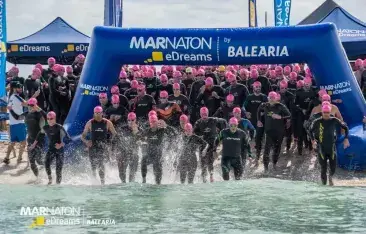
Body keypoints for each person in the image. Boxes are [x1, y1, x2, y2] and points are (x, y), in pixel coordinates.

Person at [309, 105, 350, 186]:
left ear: (330, 112)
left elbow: (345, 128)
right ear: (322, 112)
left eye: (328, 112)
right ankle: (324, 186)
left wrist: (346, 139)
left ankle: (330, 178)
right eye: (324, 112)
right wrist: (313, 140)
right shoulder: (317, 121)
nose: (326, 114)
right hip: (322, 148)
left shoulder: (334, 120)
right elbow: (310, 130)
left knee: (333, 168)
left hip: (331, 147)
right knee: (323, 168)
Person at [29, 111, 71, 185]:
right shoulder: (45, 127)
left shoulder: (59, 127)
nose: (49, 120)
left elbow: (68, 139)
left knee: (58, 169)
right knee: (46, 164)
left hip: (59, 151)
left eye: (51, 118)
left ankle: (58, 185)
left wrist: (61, 144)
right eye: (48, 119)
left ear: (54, 118)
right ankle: (50, 179)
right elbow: (39, 135)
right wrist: (34, 144)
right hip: (51, 149)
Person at [81, 106, 117, 185]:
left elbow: (114, 134)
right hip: (92, 147)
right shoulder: (90, 123)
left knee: (101, 164)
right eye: (96, 113)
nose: (97, 115)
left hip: (102, 146)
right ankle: (94, 181)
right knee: (93, 166)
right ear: (94, 113)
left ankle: (102, 183)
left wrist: (109, 142)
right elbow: (82, 136)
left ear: (102, 113)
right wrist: (86, 141)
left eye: (99, 113)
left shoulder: (107, 122)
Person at [257, 92, 291, 171]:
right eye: (270, 98)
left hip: (279, 132)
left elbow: (289, 115)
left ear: (276, 98)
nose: (271, 99)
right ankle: (265, 168)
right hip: (268, 131)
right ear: (268, 98)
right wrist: (259, 120)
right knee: (266, 149)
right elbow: (258, 110)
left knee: (277, 149)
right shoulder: (264, 105)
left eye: (273, 98)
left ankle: (274, 164)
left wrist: (280, 117)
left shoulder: (281, 106)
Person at [139, 115, 176, 184]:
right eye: (151, 122)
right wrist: (140, 142)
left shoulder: (162, 130)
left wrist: (166, 125)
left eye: (154, 121)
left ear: (157, 121)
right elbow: (139, 138)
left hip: (158, 154)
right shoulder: (147, 131)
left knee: (157, 166)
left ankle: (158, 183)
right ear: (149, 123)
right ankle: (144, 179)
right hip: (149, 153)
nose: (153, 123)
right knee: (143, 160)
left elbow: (174, 133)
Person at [194, 107, 227, 182]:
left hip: (212, 143)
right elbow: (194, 132)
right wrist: (199, 135)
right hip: (203, 143)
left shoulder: (213, 119)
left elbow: (224, 121)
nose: (204, 116)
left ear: (208, 114)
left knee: (210, 160)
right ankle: (204, 177)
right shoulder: (198, 122)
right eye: (202, 114)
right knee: (202, 161)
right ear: (200, 114)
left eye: (205, 114)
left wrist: (223, 131)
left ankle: (211, 176)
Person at [22, 98, 47, 179]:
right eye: (29, 105)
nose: (30, 107)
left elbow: (47, 117)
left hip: (39, 139)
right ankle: (38, 178)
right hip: (30, 139)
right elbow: (16, 116)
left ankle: (48, 171)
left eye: (32, 105)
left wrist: (39, 109)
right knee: (32, 162)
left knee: (39, 161)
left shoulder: (39, 114)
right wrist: (10, 109)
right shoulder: (26, 113)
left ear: (36, 105)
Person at [3, 82, 27, 165]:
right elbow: (27, 104)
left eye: (21, 87)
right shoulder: (17, 97)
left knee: (12, 142)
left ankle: (6, 158)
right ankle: (19, 159)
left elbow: (9, 107)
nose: (20, 89)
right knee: (23, 142)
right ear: (14, 88)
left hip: (13, 124)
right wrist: (35, 95)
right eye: (19, 87)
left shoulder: (11, 97)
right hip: (19, 123)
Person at [117, 112, 140, 183]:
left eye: (132, 120)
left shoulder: (139, 130)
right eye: (129, 120)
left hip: (134, 154)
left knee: (132, 175)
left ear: (135, 120)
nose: (131, 122)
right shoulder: (122, 129)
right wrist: (115, 152)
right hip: (123, 154)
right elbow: (116, 140)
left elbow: (143, 142)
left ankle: (130, 189)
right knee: (121, 174)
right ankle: (123, 186)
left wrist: (136, 132)